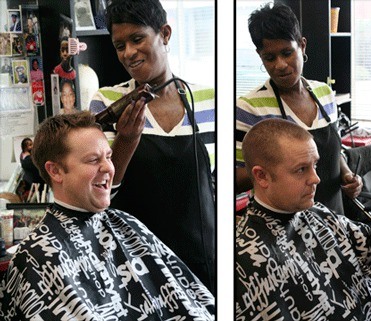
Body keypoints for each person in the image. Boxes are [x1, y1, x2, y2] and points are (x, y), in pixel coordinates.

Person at [0, 112, 215, 320]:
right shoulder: (36, 257)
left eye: (109, 157)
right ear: (55, 171)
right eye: (93, 160)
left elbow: (197, 301)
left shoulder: (126, 223)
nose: (108, 168)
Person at [235, 118, 371, 321]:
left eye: (315, 165)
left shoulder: (317, 215)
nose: (316, 178)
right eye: (301, 169)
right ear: (262, 176)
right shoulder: (246, 256)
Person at [89, 0, 216, 293]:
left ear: (165, 34)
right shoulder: (108, 103)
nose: (129, 53)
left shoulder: (209, 99)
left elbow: (215, 183)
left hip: (202, 261)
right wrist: (127, 139)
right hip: (135, 266)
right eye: (120, 45)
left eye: (137, 39)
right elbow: (102, 189)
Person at [236, 3, 362, 214]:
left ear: (302, 46)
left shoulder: (324, 94)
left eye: (287, 53)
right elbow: (237, 178)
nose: (280, 65)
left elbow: (333, 150)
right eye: (269, 58)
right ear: (260, 56)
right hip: (285, 230)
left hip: (334, 219)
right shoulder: (250, 108)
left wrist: (348, 175)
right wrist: (280, 166)